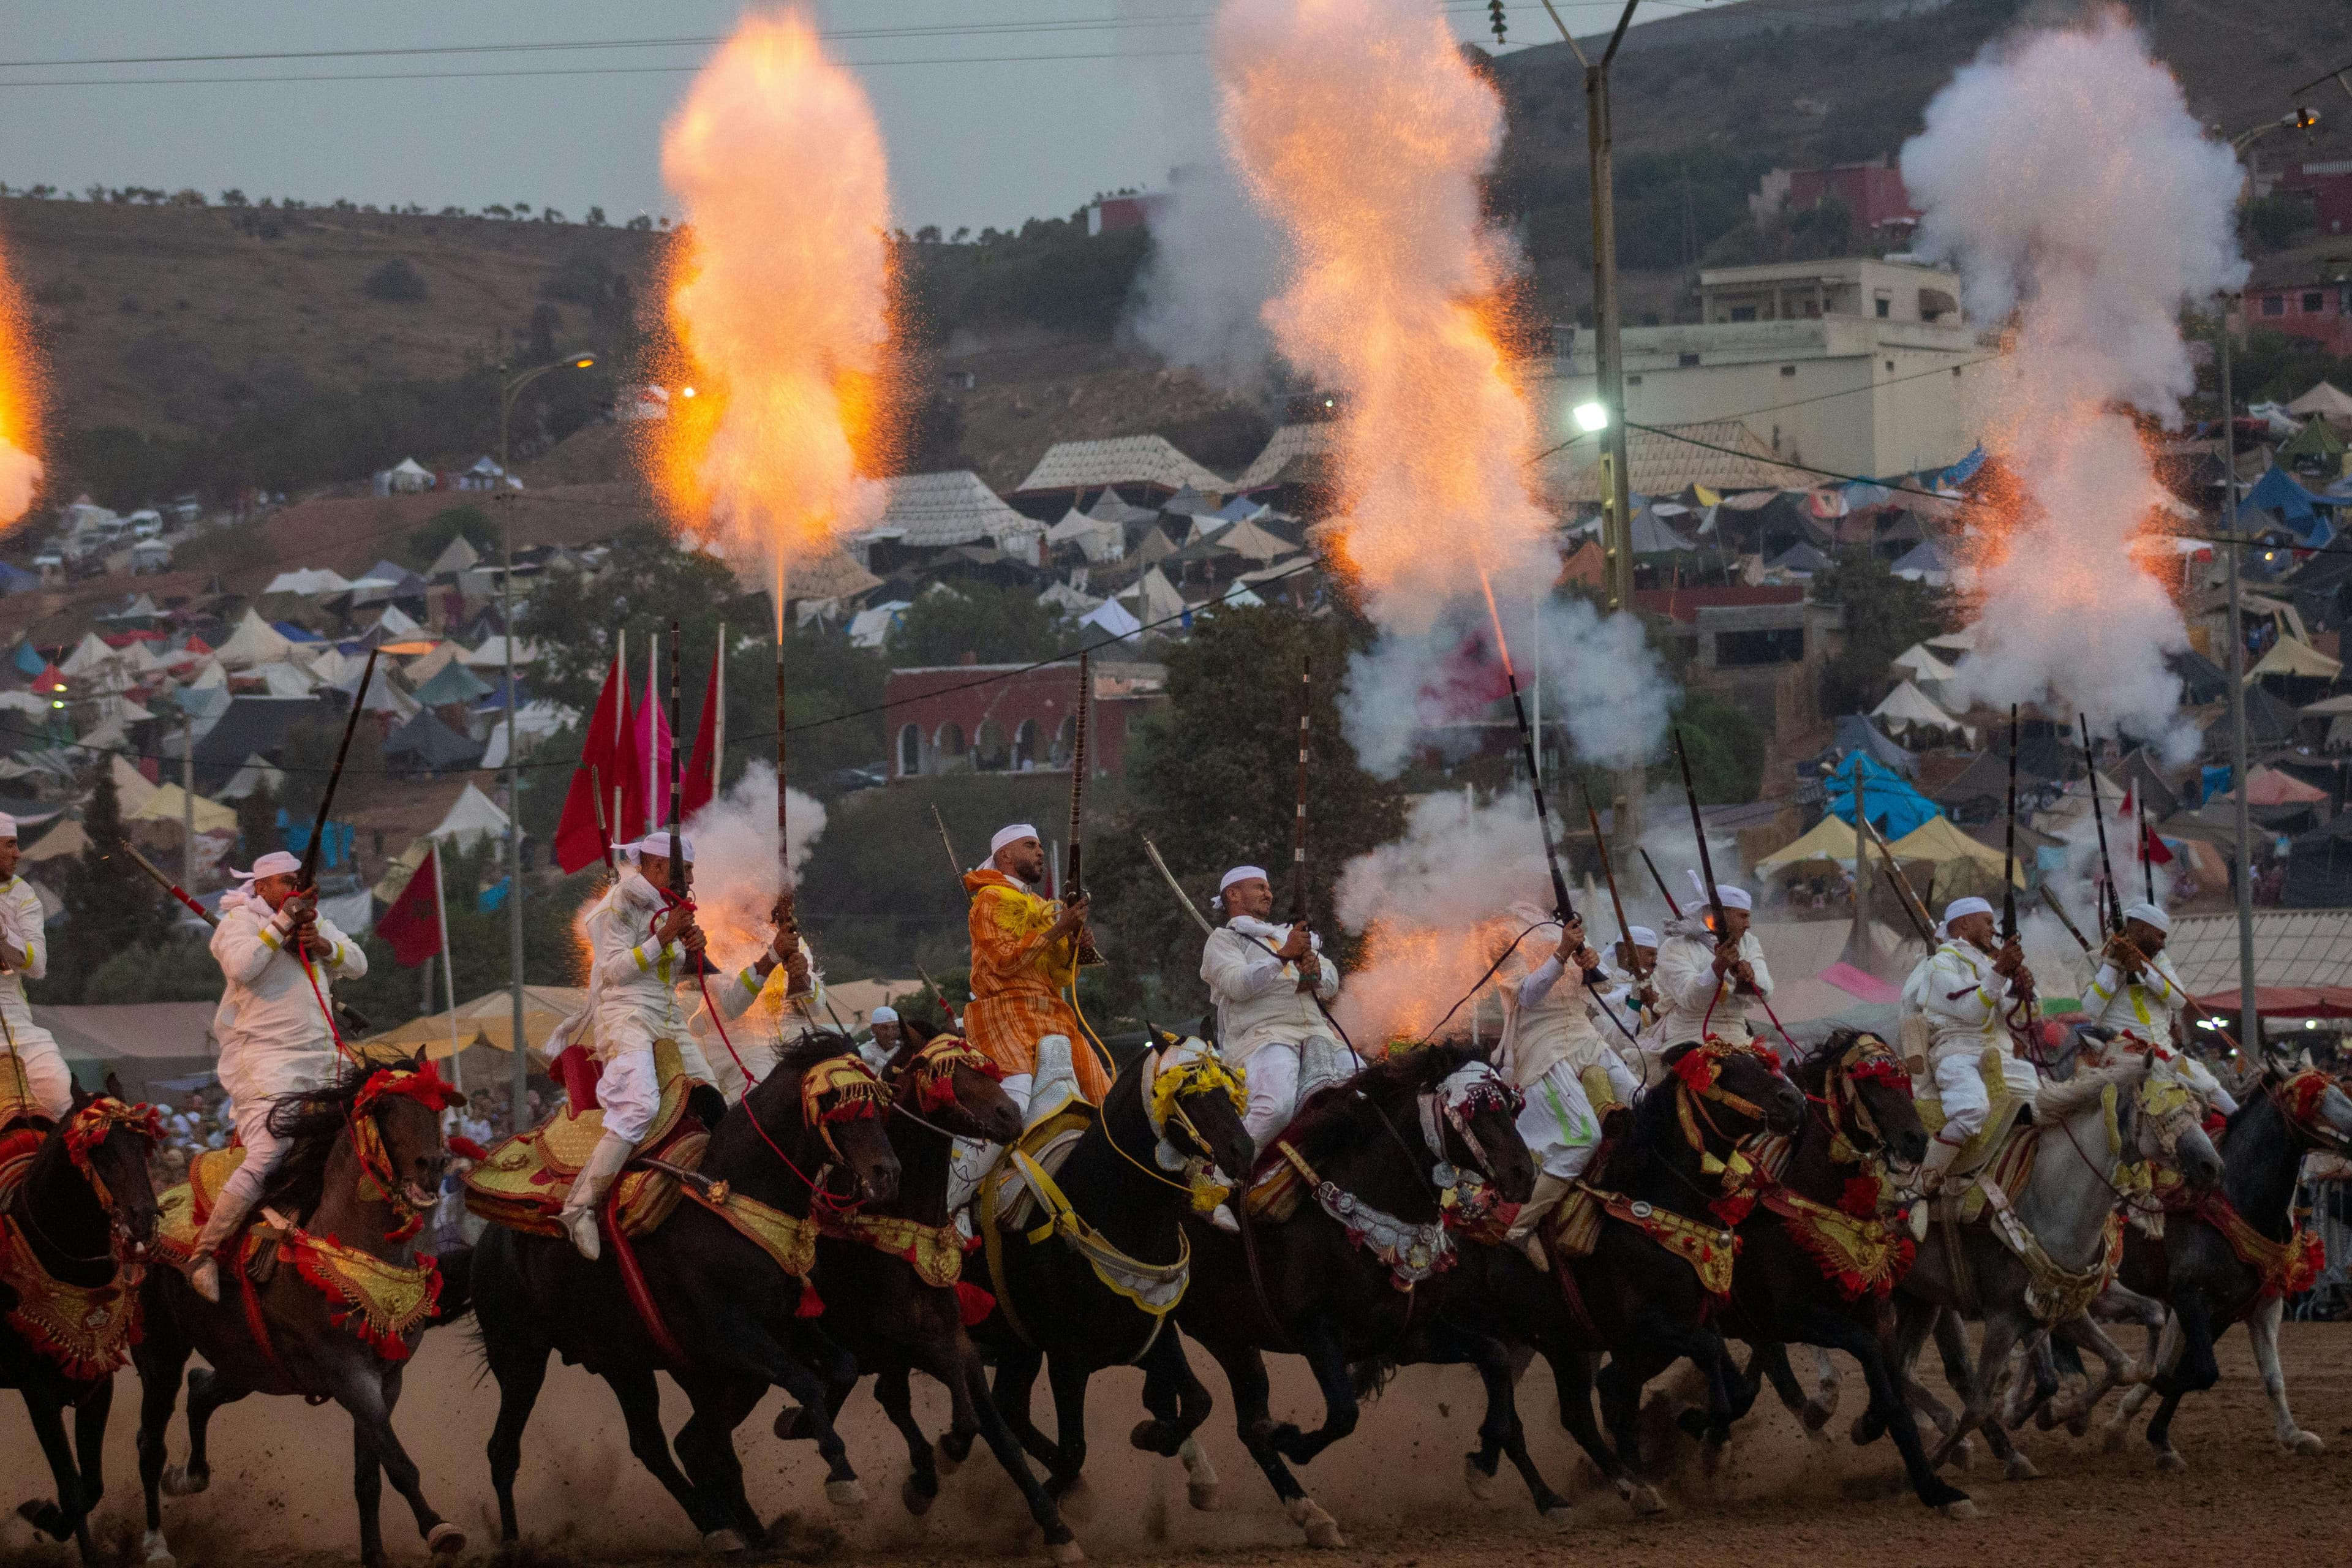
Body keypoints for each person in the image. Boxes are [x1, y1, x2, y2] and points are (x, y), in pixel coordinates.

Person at [556, 834, 784, 1259]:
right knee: (639, 1105)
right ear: (659, 867)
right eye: (687, 871)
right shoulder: (617, 907)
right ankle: (579, 1206)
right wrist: (664, 939)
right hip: (625, 1016)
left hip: (668, 1016)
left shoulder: (674, 912)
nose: (693, 878)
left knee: (713, 1102)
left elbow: (727, 998)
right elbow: (612, 973)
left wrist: (762, 956)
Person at [183, 850, 369, 1303]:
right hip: (264, 1060)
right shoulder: (239, 924)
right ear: (263, 887)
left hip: (324, 1058)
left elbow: (360, 964)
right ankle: (204, 1253)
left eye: (300, 882)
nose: (295, 890)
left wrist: (323, 945)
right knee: (272, 1150)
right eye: (286, 882)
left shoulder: (315, 923)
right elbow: (241, 967)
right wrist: (281, 925)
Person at [948, 824, 1109, 1212]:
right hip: (1003, 1010)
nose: (1039, 852)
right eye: (1030, 845)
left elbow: (1057, 974)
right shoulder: (988, 899)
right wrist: (1059, 929)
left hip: (1053, 1012)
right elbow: (1005, 961)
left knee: (1107, 1101)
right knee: (1012, 1102)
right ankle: (952, 1203)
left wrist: (1075, 943)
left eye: (1039, 846)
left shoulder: (1041, 906)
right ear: (1005, 856)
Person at [1496, 908, 1640, 1265]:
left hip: (1584, 1034)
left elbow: (1602, 984)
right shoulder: (1502, 932)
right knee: (1582, 1137)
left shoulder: (1566, 925)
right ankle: (1519, 1229)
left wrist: (1589, 959)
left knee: (1643, 1102)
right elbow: (1526, 996)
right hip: (1542, 1045)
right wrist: (1561, 953)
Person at [1200, 865, 1351, 1145]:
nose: (1268, 894)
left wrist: (1315, 971)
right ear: (1233, 894)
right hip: (1265, 1037)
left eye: (1268, 888)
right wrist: (1282, 957)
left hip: (1321, 1035)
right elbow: (1237, 986)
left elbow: (1332, 984)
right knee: (1275, 1110)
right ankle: (1223, 1179)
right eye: (1260, 887)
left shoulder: (1290, 936)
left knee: (1365, 1097)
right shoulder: (1223, 940)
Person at [1912, 895, 2037, 1194]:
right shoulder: (1939, 964)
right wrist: (2000, 972)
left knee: (2046, 1107)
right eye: (1988, 922)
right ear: (1964, 923)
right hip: (1958, 1054)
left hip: (2000, 1055)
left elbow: (2020, 1017)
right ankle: (1922, 1185)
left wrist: (2023, 988)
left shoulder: (1991, 964)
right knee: (1971, 1110)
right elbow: (1971, 1011)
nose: (1994, 931)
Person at [2079, 900, 2238, 1114]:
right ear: (2141, 929)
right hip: (2122, 1054)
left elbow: (2179, 1000)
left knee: (2211, 1087)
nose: (2163, 944)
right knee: (2185, 1084)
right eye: (2160, 936)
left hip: (2164, 1051)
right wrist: (2113, 965)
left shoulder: (2159, 961)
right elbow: (2091, 1009)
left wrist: (2144, 971)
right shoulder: (2095, 960)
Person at [1645, 880, 1773, 1077]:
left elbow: (1765, 994)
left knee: (1787, 1094)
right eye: (1743, 916)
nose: (1748, 924)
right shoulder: (1676, 946)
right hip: (1690, 1037)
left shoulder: (1749, 942)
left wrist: (1748, 979)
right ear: (1721, 915)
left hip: (1738, 1037)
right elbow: (1691, 998)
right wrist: (1718, 967)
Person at [0, 814, 69, 1126]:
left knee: (59, 1098)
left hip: (17, 1025)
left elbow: (37, 966)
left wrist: (4, 935)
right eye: (10, 844)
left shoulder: (22, 895)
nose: (17, 854)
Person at [859, 1004, 905, 1074]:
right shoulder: (861, 1053)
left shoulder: (904, 1051)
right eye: (884, 1028)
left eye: (895, 1028)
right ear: (873, 1029)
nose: (890, 1034)